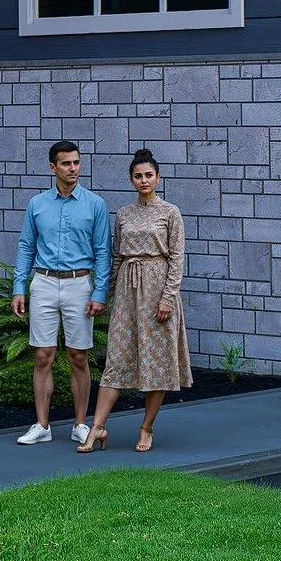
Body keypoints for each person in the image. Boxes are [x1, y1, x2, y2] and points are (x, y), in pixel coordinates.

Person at [81, 149, 190, 453]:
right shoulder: (124, 214)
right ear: (131, 179)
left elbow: (177, 258)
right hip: (128, 293)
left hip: (158, 292)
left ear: (158, 178)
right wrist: (104, 295)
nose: (144, 180)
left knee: (157, 362)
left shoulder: (170, 212)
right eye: (138, 176)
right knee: (115, 360)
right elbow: (116, 257)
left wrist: (167, 298)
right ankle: (97, 427)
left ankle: (146, 428)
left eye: (148, 175)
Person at [10, 140, 111, 445]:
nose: (73, 169)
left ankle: (80, 424)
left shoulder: (95, 204)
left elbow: (103, 251)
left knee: (78, 356)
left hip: (79, 284)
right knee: (43, 356)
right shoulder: (37, 204)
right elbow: (26, 246)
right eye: (66, 163)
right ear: (52, 167)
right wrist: (19, 288)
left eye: (76, 162)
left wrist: (100, 293)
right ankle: (42, 425)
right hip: (43, 282)